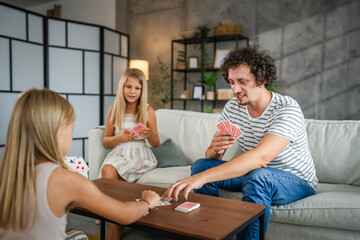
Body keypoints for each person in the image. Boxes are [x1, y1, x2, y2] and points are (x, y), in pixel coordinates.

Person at [162, 46, 318, 240]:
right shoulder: (232, 108)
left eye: (242, 82)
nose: (235, 89)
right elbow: (212, 158)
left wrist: (201, 179)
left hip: (295, 180)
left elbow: (261, 158)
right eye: (231, 82)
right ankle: (210, 233)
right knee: (201, 165)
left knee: (258, 176)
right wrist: (214, 149)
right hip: (253, 173)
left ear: (261, 80)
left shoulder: (287, 108)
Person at [0, 88, 160, 240]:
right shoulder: (66, 179)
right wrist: (148, 201)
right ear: (61, 130)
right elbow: (125, 215)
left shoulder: (6, 173)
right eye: (72, 128)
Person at [99, 68, 160, 239]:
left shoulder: (148, 111)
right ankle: (115, 225)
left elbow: (156, 143)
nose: (132, 92)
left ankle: (116, 226)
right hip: (120, 151)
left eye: (137, 88)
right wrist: (119, 138)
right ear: (122, 88)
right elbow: (106, 140)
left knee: (112, 177)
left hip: (139, 153)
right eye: (128, 87)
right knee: (108, 169)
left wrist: (150, 136)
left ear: (142, 91)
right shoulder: (114, 109)